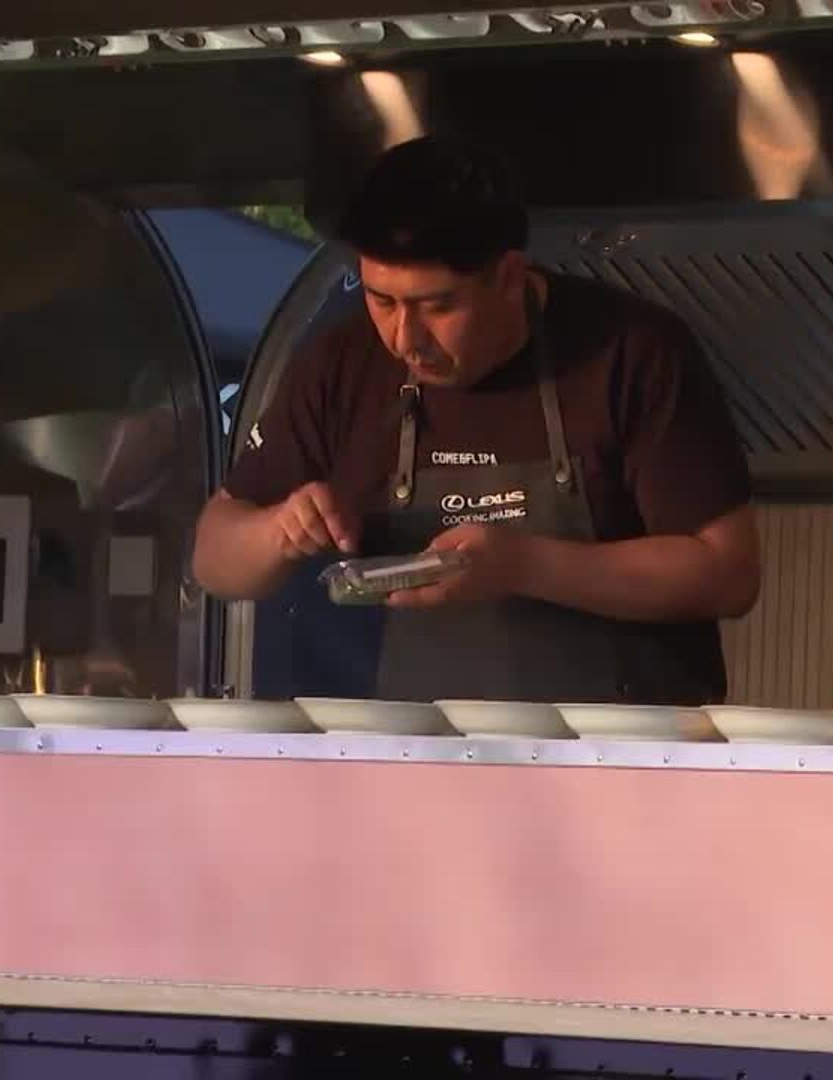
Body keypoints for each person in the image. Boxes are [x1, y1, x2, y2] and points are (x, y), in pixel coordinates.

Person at [193, 136, 759, 704]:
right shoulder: (340, 364)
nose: (405, 339)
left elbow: (728, 573)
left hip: (619, 747)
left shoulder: (632, 352)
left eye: (437, 306)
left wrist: (525, 565)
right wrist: (278, 531)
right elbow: (214, 558)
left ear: (509, 275)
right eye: (382, 301)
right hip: (428, 746)